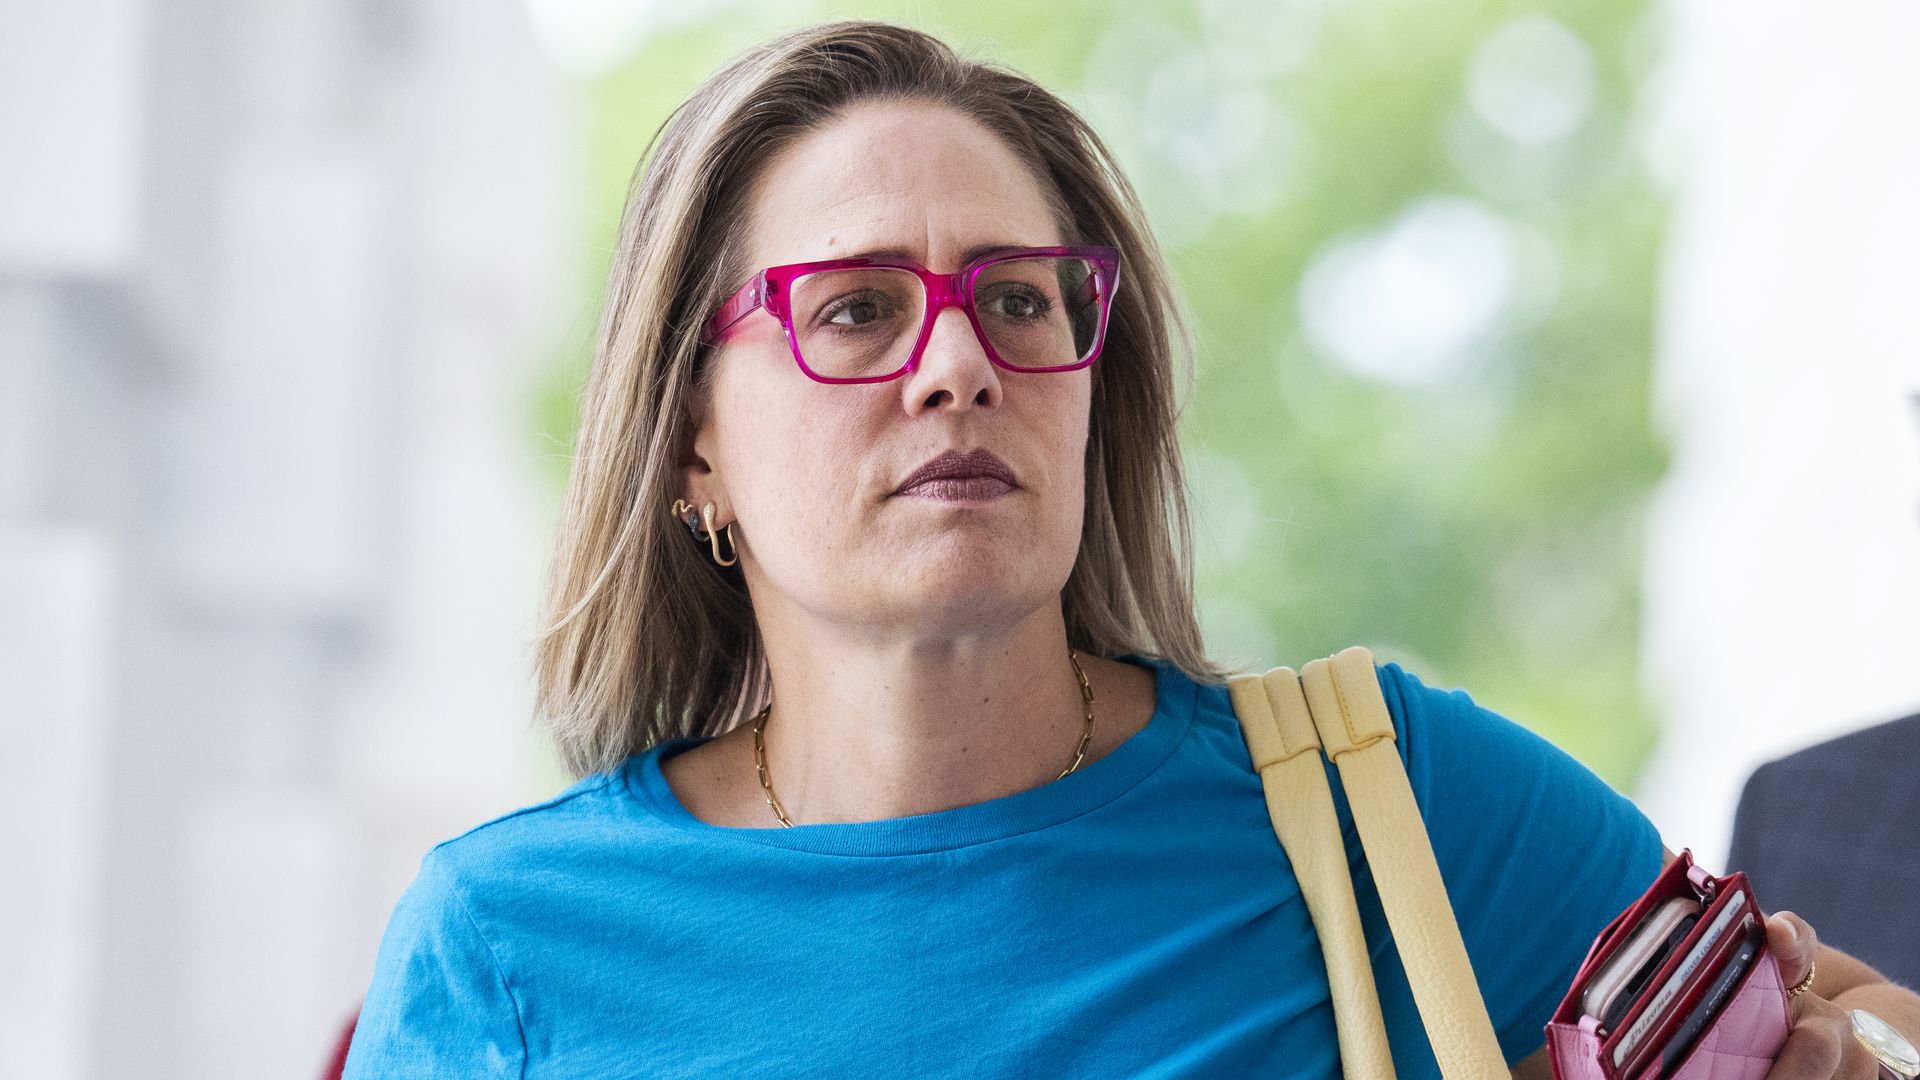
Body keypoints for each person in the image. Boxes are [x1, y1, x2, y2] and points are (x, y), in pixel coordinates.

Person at [341, 19, 1919, 1079]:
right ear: (693, 437)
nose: (956, 364)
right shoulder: (505, 951)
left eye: (1020, 301)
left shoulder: (1386, 803)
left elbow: (1844, 1029)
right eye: (856, 310)